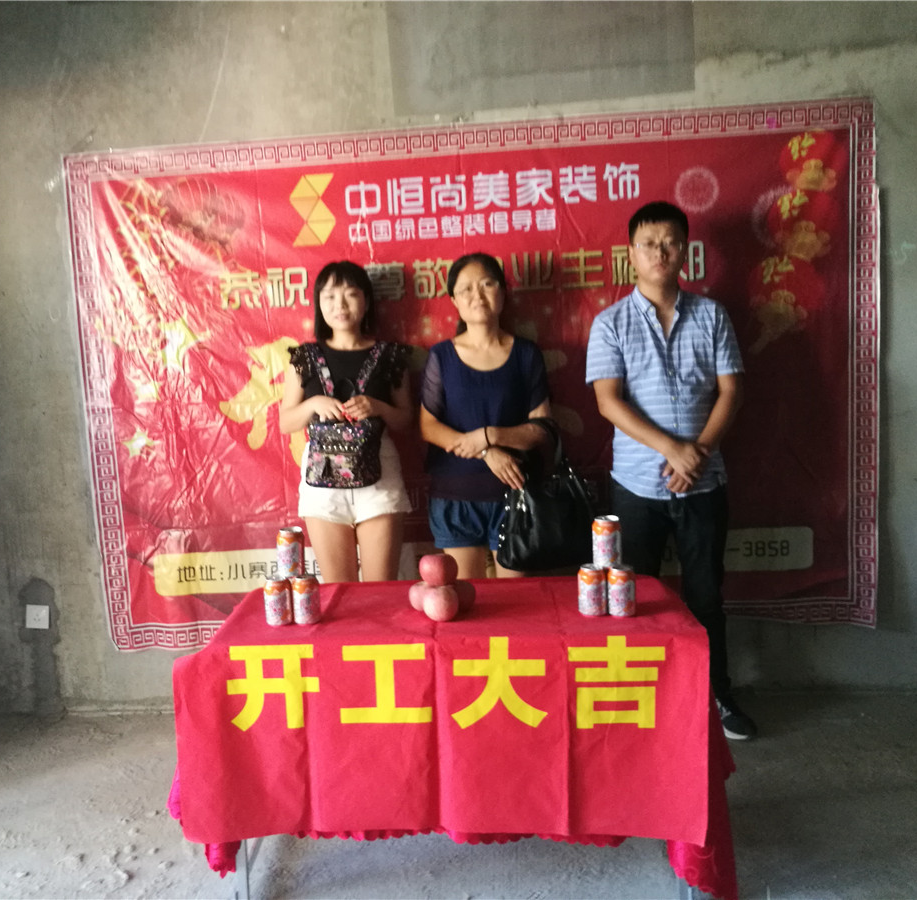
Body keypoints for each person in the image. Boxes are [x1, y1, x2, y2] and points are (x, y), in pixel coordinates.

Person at [585, 201, 757, 741]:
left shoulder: (712, 316)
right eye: (649, 243)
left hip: (704, 485)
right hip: (635, 488)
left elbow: (731, 392)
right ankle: (637, 704)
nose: (660, 252)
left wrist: (696, 454)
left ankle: (715, 697)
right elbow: (608, 402)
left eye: (670, 242)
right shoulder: (610, 323)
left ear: (686, 250)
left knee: (706, 596)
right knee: (633, 599)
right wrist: (671, 450)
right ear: (631, 254)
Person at [419, 252, 552, 579]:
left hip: (514, 493)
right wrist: (485, 451)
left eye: (487, 284)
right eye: (466, 289)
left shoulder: (526, 354)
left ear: (503, 292)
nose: (477, 295)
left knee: (514, 600)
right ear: (454, 301)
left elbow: (542, 428)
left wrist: (490, 435)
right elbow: (429, 427)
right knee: (466, 598)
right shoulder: (442, 356)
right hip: (456, 495)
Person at [279, 261, 413, 583]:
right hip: (322, 481)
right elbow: (286, 422)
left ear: (366, 300)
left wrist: (378, 407)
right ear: (318, 303)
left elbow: (406, 420)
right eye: (329, 296)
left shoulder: (390, 355)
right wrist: (313, 404)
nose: (340, 305)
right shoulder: (304, 357)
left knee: (380, 588)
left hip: (380, 478)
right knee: (339, 590)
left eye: (350, 294)